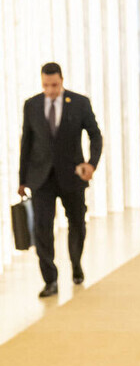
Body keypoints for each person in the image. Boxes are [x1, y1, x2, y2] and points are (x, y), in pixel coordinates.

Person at [18, 62, 102, 297]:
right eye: (46, 85)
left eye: (54, 85)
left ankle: (76, 264)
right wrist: (22, 180)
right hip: (41, 178)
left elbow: (95, 135)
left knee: (77, 223)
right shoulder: (32, 105)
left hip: (72, 175)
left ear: (61, 81)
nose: (50, 90)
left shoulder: (79, 102)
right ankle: (50, 280)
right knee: (42, 229)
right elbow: (26, 143)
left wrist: (92, 163)